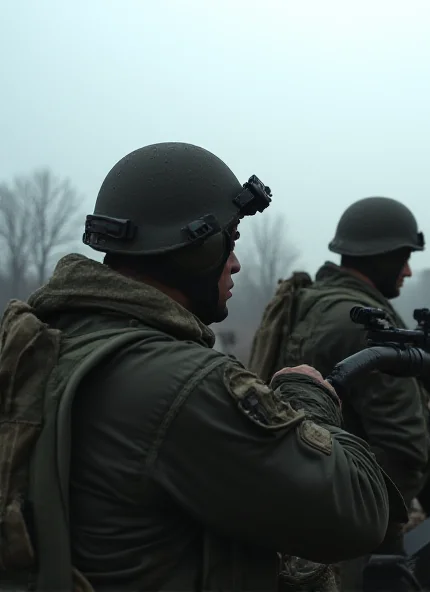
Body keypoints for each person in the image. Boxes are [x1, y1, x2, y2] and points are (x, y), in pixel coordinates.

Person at [3, 143, 405, 591]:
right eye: (229, 238)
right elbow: (359, 514)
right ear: (195, 247)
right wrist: (307, 397)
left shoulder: (42, 344)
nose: (235, 261)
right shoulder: (180, 383)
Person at [259, 196, 430, 590]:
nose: (408, 270)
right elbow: (402, 443)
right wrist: (371, 534)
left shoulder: (317, 299)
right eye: (403, 257)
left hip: (325, 446)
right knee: (415, 446)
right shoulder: (361, 322)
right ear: (379, 257)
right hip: (351, 465)